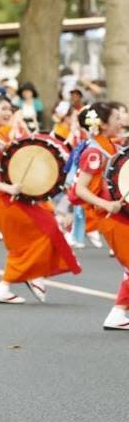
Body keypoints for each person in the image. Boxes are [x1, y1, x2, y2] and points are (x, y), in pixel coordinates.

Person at [0, 95, 81, 304]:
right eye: (3, 108)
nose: (7, 112)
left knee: (35, 235)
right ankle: (20, 280)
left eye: (10, 108)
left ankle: (26, 279)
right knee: (42, 232)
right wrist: (8, 187)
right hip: (4, 198)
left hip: (13, 196)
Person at [72, 103, 129, 330]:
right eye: (117, 117)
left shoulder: (111, 146)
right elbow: (80, 189)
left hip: (118, 213)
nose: (121, 121)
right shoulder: (95, 152)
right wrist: (106, 203)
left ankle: (120, 312)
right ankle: (118, 312)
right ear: (103, 124)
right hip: (109, 215)